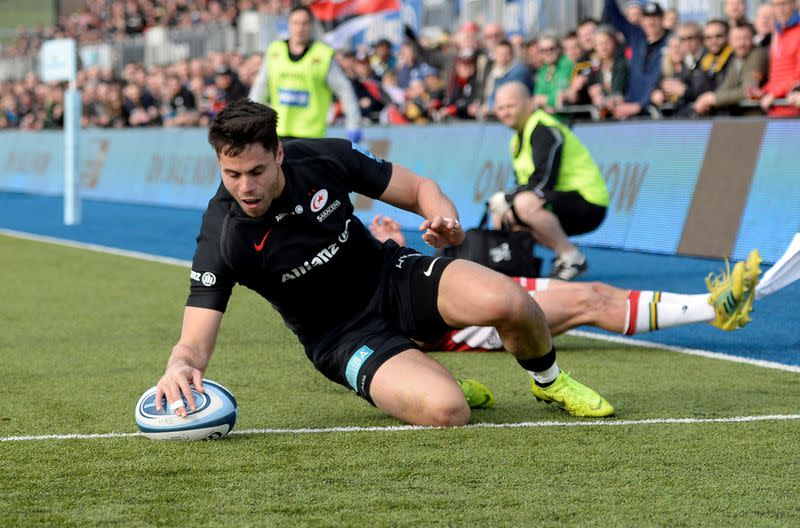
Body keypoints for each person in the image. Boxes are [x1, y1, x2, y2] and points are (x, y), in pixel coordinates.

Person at [153, 99, 615, 428]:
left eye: (256, 172)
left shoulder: (322, 157)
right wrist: (180, 366)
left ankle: (548, 381)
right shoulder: (223, 235)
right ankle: (432, 377)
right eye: (232, 174)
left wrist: (444, 219)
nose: (245, 187)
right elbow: (194, 340)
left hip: (392, 276)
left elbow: (419, 190)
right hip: (341, 338)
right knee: (448, 411)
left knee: (509, 300)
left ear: (279, 153)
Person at [369, 215, 763, 350]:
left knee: (604, 292)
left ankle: (711, 303)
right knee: (589, 301)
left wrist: (403, 251)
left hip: (477, 288)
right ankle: (714, 309)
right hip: (472, 323)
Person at [489, 81, 609, 281]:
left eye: (511, 106)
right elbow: (525, 182)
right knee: (502, 216)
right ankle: (522, 264)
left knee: (524, 203)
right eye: (501, 108)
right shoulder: (517, 138)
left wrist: (508, 196)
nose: (505, 112)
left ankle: (572, 258)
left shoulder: (544, 129)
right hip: (558, 200)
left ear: (529, 104)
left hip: (588, 203)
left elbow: (544, 182)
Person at [247, 5, 361, 141]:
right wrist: (250, 121)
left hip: (311, 136)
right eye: (295, 23)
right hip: (279, 133)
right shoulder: (274, 51)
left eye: (304, 23)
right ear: (288, 24)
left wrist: (354, 124)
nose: (300, 28)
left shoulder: (322, 55)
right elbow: (260, 89)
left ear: (311, 26)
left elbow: (344, 89)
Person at [602, 0, 670, 120]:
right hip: (628, 109)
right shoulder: (636, 36)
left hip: (655, 111)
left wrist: (641, 105)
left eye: (656, 17)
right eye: (648, 17)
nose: (651, 22)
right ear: (642, 20)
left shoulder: (671, 41)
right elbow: (613, 13)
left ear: (662, 18)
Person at [694, 23, 768, 116]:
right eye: (737, 39)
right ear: (730, 41)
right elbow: (726, 87)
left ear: (753, 39)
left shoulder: (758, 55)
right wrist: (708, 99)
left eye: (746, 38)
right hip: (738, 118)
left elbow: (749, 91)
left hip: (756, 118)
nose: (741, 43)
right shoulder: (736, 58)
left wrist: (713, 99)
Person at [751, 0, 800, 117]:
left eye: (784, 4)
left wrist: (773, 93)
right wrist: (763, 91)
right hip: (775, 109)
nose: (780, 9)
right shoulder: (776, 34)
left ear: (794, 4)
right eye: (776, 5)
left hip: (793, 109)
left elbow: (798, 74)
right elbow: (777, 75)